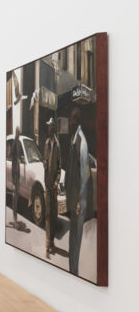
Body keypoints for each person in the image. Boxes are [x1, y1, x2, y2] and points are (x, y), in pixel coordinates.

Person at [65, 108, 90, 276]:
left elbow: (83, 177)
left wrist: (80, 203)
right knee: (72, 240)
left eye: (72, 119)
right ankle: (71, 271)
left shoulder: (81, 143)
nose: (70, 122)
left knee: (75, 242)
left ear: (77, 121)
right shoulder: (74, 140)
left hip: (79, 203)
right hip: (73, 202)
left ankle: (74, 273)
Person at [42, 117, 61, 259]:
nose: (48, 129)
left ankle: (52, 242)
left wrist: (56, 182)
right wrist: (44, 162)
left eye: (49, 127)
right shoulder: (46, 143)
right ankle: (48, 244)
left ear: (53, 128)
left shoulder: (58, 145)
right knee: (48, 215)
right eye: (47, 127)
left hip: (53, 186)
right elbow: (44, 160)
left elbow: (59, 167)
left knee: (54, 215)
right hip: (47, 185)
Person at [10, 126, 22, 228]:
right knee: (14, 198)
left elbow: (19, 156)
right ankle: (14, 220)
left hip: (17, 173)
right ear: (16, 132)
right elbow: (10, 155)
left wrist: (19, 159)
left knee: (17, 197)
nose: (19, 133)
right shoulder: (14, 143)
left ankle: (15, 219)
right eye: (18, 132)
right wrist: (15, 160)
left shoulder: (18, 143)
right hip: (14, 173)